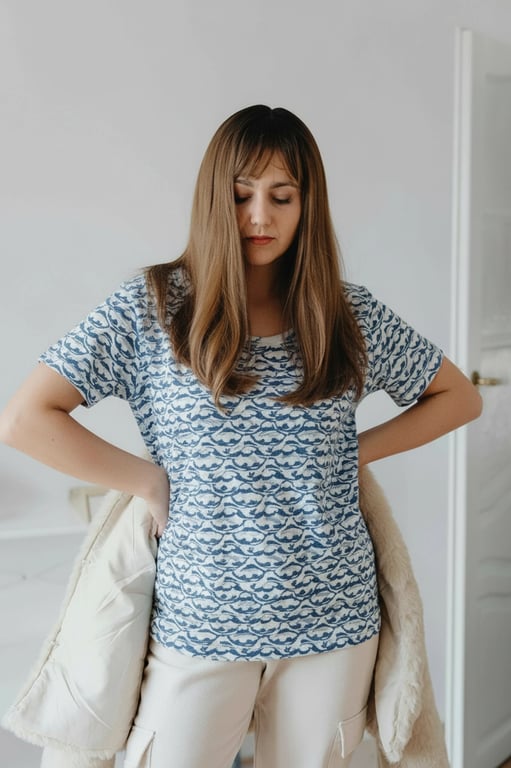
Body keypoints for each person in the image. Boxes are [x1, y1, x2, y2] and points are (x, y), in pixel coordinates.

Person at [0, 105, 482, 768]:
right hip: (199, 620)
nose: (260, 216)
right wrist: (148, 481)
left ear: (306, 204)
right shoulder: (150, 308)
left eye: (282, 197)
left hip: (332, 621)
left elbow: (458, 396)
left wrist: (351, 451)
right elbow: (25, 418)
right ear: (212, 198)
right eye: (241, 195)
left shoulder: (346, 314)